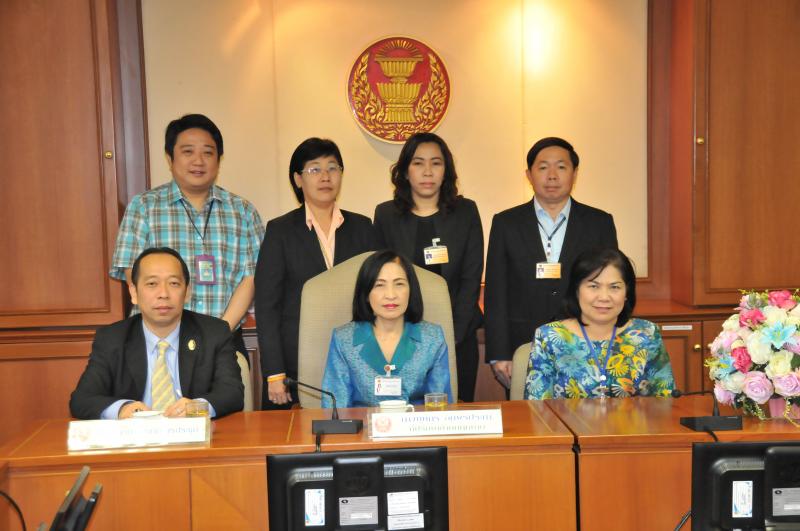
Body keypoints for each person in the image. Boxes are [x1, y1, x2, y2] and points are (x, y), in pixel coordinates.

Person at [109, 114, 264, 363]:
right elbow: (133, 273)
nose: (198, 161)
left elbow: (252, 277)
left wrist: (218, 333)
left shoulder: (243, 211)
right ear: (170, 158)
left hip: (225, 340)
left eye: (208, 152)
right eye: (188, 151)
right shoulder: (144, 207)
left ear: (219, 159)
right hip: (158, 342)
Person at [484, 136, 618, 390]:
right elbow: (496, 290)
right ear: (529, 175)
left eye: (561, 167)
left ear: (575, 173)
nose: (552, 176)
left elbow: (611, 287)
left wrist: (609, 344)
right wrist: (499, 353)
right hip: (522, 344)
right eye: (543, 167)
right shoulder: (506, 223)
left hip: (586, 342)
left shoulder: (599, 223)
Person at [255, 138, 375, 409]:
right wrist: (274, 373)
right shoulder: (280, 231)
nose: (325, 176)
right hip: (295, 367)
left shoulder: (363, 228)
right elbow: (267, 307)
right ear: (298, 179)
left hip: (355, 361)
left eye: (333, 168)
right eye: (314, 169)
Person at [70, 247, 244, 419]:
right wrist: (122, 409)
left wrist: (196, 408)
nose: (163, 294)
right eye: (152, 284)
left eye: (174, 283)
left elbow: (232, 392)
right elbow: (82, 399)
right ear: (134, 292)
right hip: (136, 436)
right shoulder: (112, 339)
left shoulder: (214, 333)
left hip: (194, 434)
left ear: (187, 292)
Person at [373, 132, 483, 402]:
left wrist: (452, 337)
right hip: (401, 339)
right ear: (405, 171)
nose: (427, 172)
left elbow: (471, 278)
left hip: (458, 335)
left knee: (456, 412)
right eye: (418, 163)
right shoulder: (386, 215)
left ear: (446, 171)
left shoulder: (466, 211)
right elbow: (380, 281)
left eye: (436, 163)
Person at [524, 248, 674, 399]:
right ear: (577, 290)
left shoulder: (646, 334)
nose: (604, 297)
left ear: (627, 293)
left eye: (614, 287)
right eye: (593, 286)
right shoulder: (548, 337)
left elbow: (665, 399)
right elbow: (537, 407)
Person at [321, 250, 452, 408]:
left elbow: (439, 406)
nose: (390, 295)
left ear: (411, 290)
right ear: (366, 293)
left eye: (399, 284)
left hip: (416, 423)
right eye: (379, 285)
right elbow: (335, 409)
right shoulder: (344, 339)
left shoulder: (432, 337)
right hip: (362, 424)